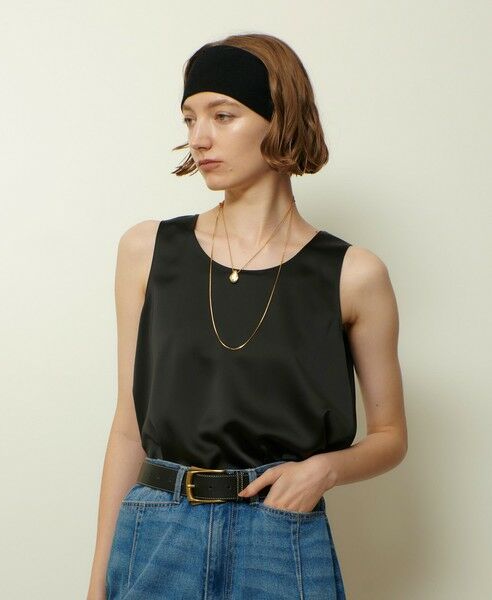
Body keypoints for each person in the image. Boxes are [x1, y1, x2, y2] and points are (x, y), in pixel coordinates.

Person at [87, 33, 408, 600]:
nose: (200, 137)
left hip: (279, 534)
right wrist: (98, 585)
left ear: (278, 119)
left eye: (223, 115)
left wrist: (325, 470)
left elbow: (390, 436)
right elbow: (128, 427)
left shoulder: (353, 274)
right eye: (189, 118)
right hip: (159, 529)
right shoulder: (148, 250)